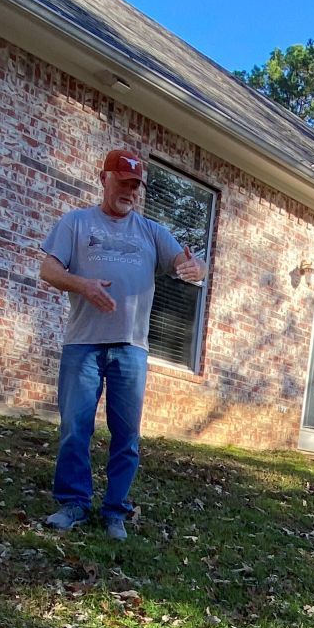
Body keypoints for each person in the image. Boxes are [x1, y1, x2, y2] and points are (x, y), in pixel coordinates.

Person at [39, 149, 207, 541]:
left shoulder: (151, 232)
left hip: (131, 348)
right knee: (75, 427)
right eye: (123, 182)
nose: (129, 192)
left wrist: (195, 268)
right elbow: (48, 269)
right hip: (83, 344)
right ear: (104, 179)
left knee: (126, 434)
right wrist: (84, 285)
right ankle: (74, 503)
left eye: (136, 186)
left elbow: (194, 264)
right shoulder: (76, 223)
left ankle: (115, 510)